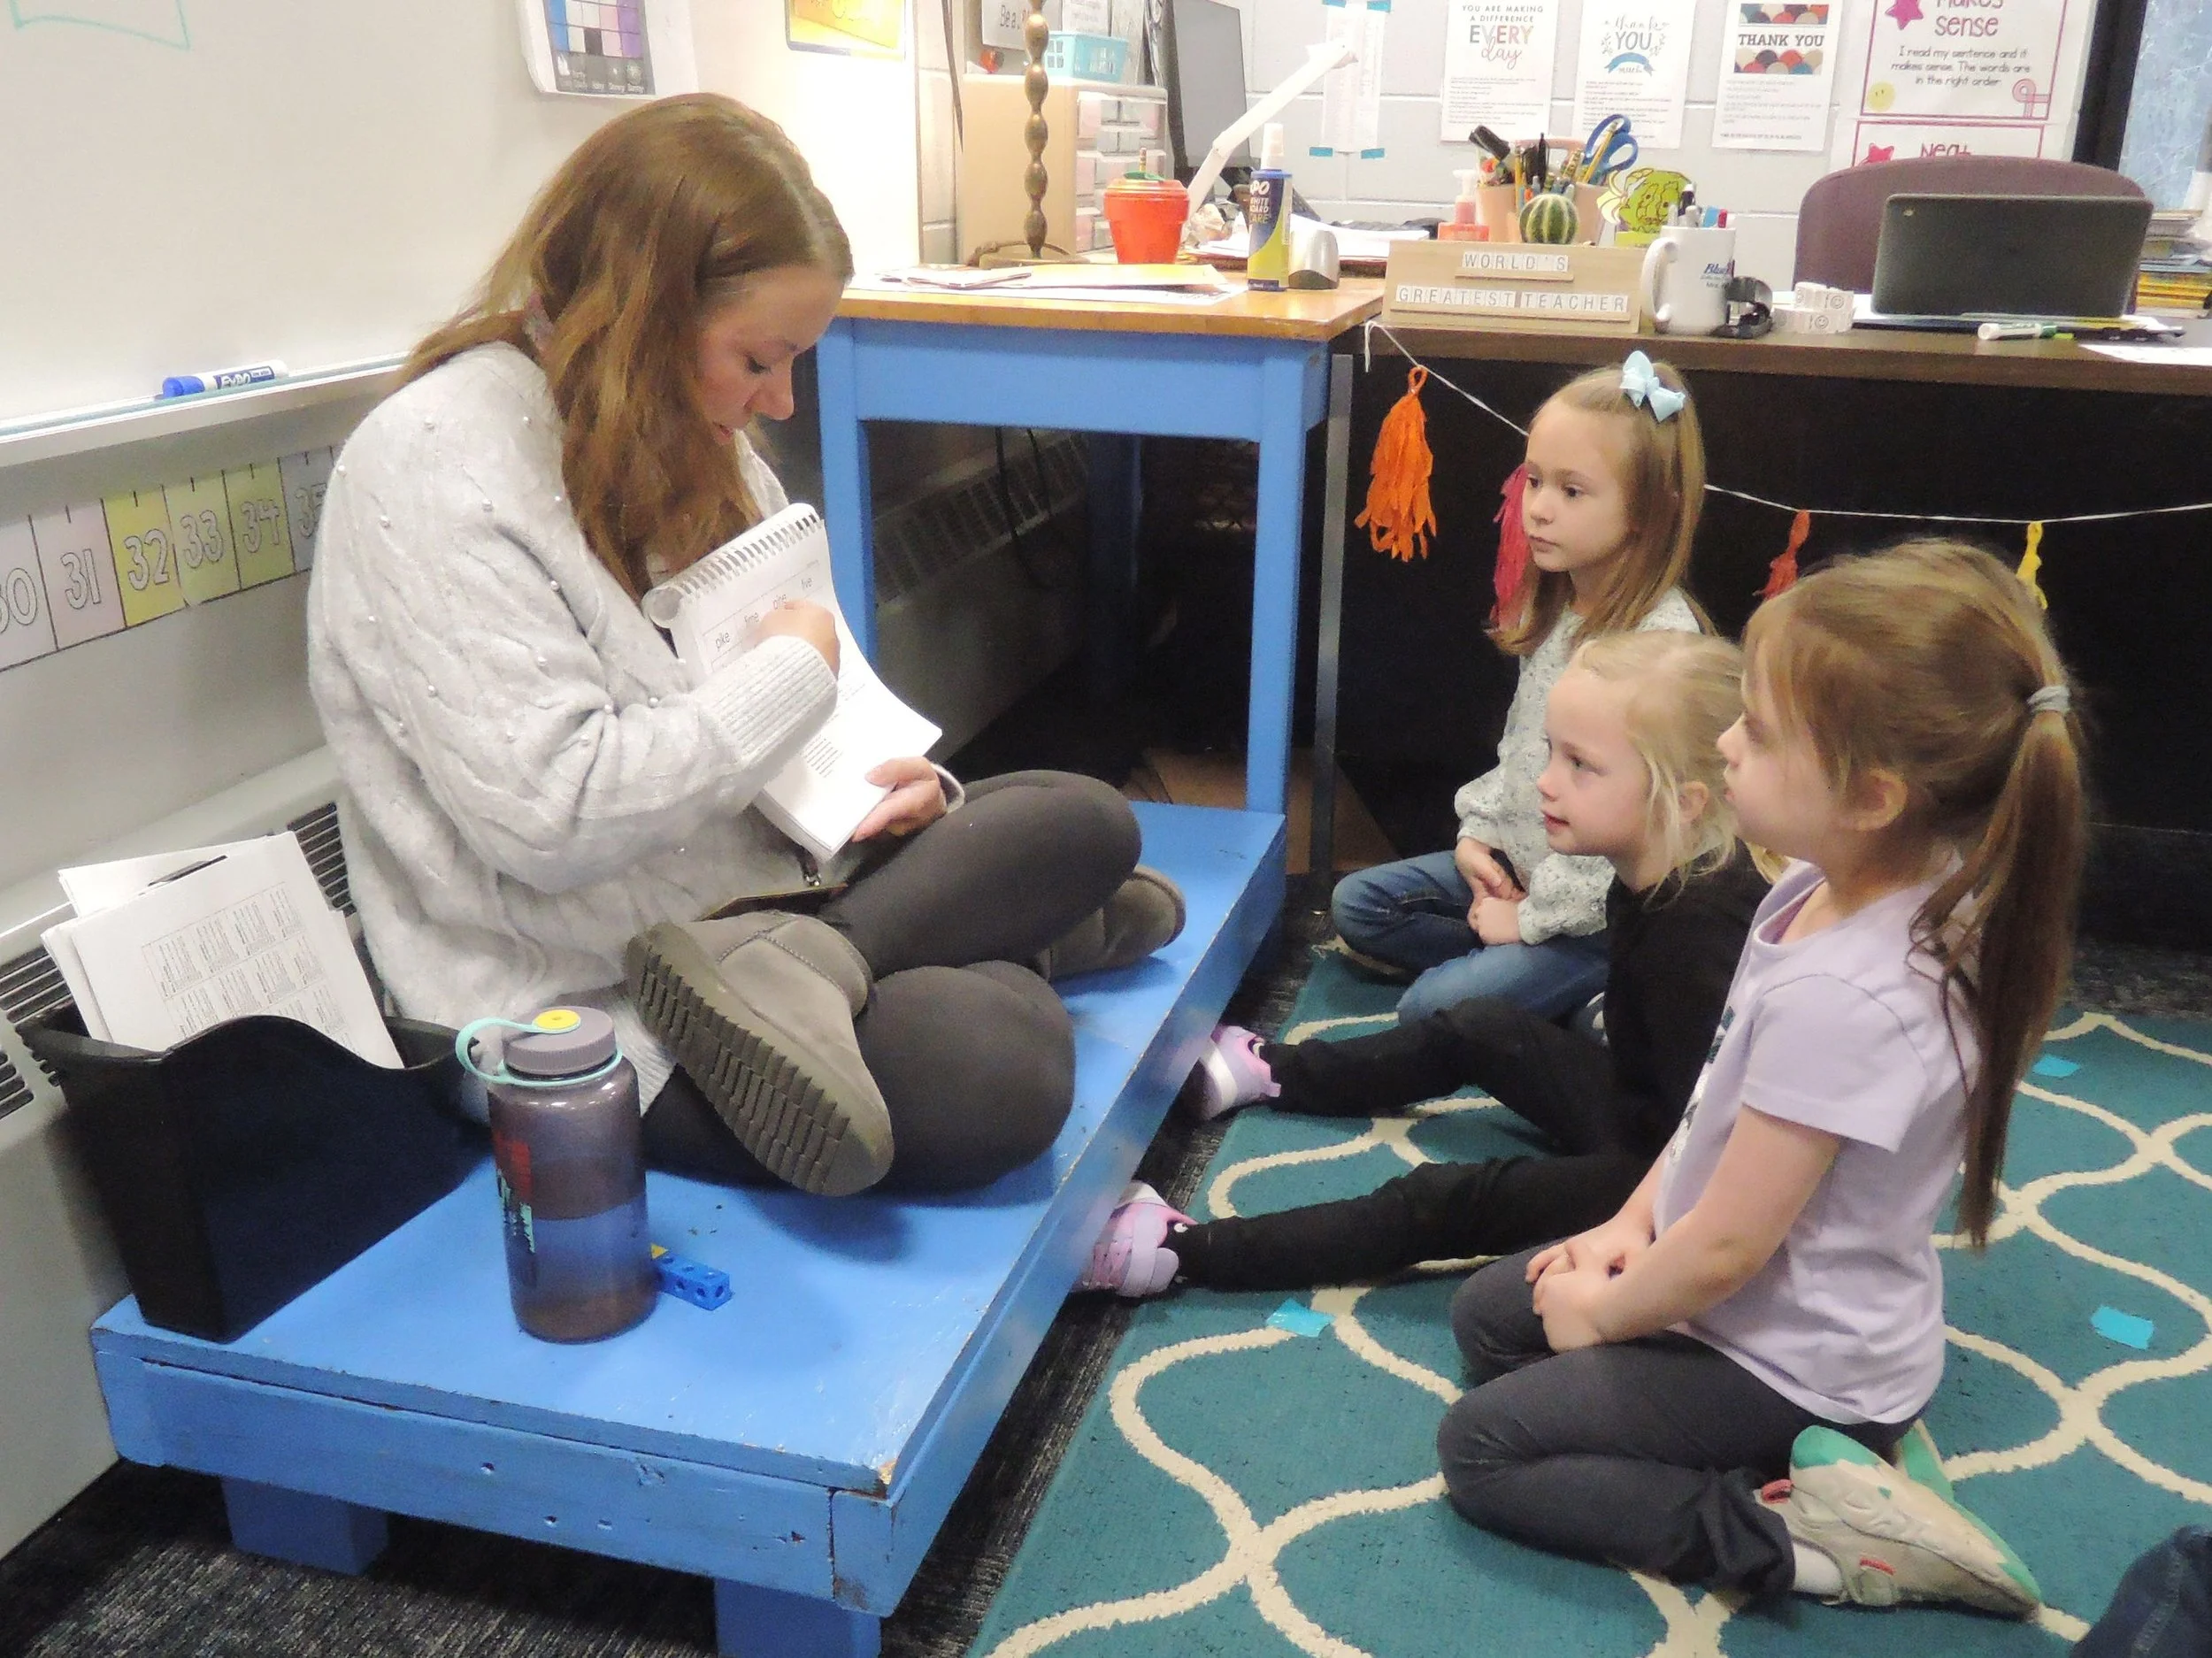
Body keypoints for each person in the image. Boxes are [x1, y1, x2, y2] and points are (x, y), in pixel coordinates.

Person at [307, 95, 1181, 1199]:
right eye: (759, 359)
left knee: (1082, 815)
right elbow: (555, 817)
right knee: (995, 1077)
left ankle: (863, 947)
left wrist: (873, 788)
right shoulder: (434, 466)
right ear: (643, 314)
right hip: (584, 998)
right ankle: (968, 937)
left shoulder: (691, 434)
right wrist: (792, 678)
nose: (779, 400)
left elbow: (801, 720)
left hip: (772, 907)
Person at [1435, 540, 2081, 1616]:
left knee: (1484, 1448)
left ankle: (1816, 1542)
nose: (1725, 743)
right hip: (1742, 1298)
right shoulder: (1815, 888)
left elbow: (1733, 1247)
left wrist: (1607, 1313)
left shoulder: (1856, 997)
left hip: (1790, 1357)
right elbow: (1708, 1109)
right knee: (1492, 1316)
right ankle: (1826, 1457)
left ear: (1872, 795)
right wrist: (1626, 1228)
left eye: (1762, 732)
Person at [1080, 631, 1767, 1296]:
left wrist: (1630, 1229)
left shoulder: (1698, 932)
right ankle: (1276, 1072)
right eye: (1553, 755)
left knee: (1441, 1200)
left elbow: (1718, 1151)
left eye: (1581, 766)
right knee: (1478, 1025)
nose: (1548, 785)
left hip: (1673, 1178)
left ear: (1682, 801)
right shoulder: (1650, 870)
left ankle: (1183, 1255)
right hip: (1649, 1116)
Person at [1331, 352, 1710, 1024]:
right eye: (1534, 481)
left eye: (1571, 491)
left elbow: (1633, 838)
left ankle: (1585, 989)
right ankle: (1530, 985)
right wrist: (1476, 839)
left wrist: (1529, 921)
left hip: (1596, 916)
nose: (1537, 509)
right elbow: (1522, 752)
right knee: (1360, 905)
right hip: (1528, 869)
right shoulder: (1566, 609)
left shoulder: (1659, 651)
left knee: (1430, 1013)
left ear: (1649, 513)